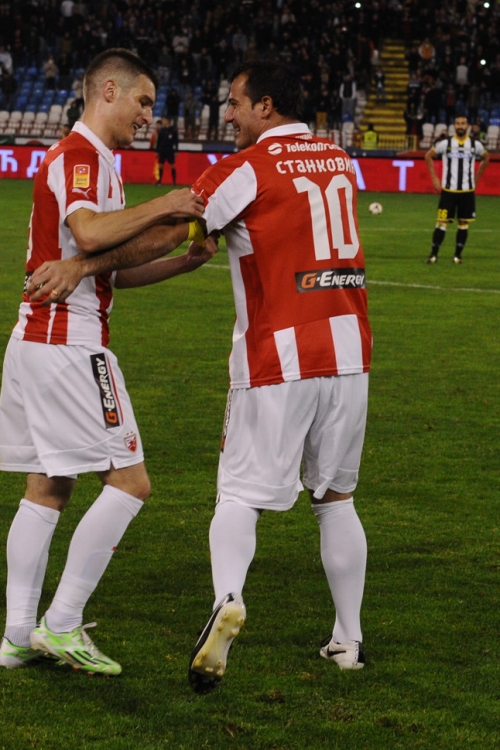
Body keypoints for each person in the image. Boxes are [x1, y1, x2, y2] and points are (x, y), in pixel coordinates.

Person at [0, 48, 209, 674]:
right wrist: (168, 205)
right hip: (70, 346)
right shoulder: (82, 157)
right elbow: (90, 235)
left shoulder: (96, 162)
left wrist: (181, 262)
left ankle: (17, 635)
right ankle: (62, 624)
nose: (148, 116)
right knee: (130, 481)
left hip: (35, 342)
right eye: (143, 102)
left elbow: (108, 270)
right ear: (108, 91)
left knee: (48, 486)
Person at [186, 60, 372, 694]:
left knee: (238, 495)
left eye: (235, 103)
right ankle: (349, 639)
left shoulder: (246, 167)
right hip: (349, 353)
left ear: (265, 105)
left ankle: (227, 599)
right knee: (336, 499)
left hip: (276, 357)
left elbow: (190, 221)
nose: (228, 114)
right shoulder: (341, 160)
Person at [425, 115, 490, 264]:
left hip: (467, 192)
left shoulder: (475, 144)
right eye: (458, 123)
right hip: (448, 191)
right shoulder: (445, 143)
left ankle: (457, 256)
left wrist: (476, 178)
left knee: (463, 223)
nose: (460, 126)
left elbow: (486, 158)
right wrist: (435, 178)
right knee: (441, 222)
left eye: (463, 123)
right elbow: (428, 156)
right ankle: (433, 255)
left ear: (467, 126)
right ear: (454, 126)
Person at [155, 116, 179, 185]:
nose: (163, 121)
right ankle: (159, 181)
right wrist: (157, 151)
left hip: (170, 150)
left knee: (172, 165)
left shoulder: (173, 130)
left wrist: (176, 150)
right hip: (162, 150)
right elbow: (158, 141)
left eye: (164, 120)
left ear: (167, 121)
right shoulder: (162, 130)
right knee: (161, 165)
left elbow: (176, 141)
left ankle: (174, 182)